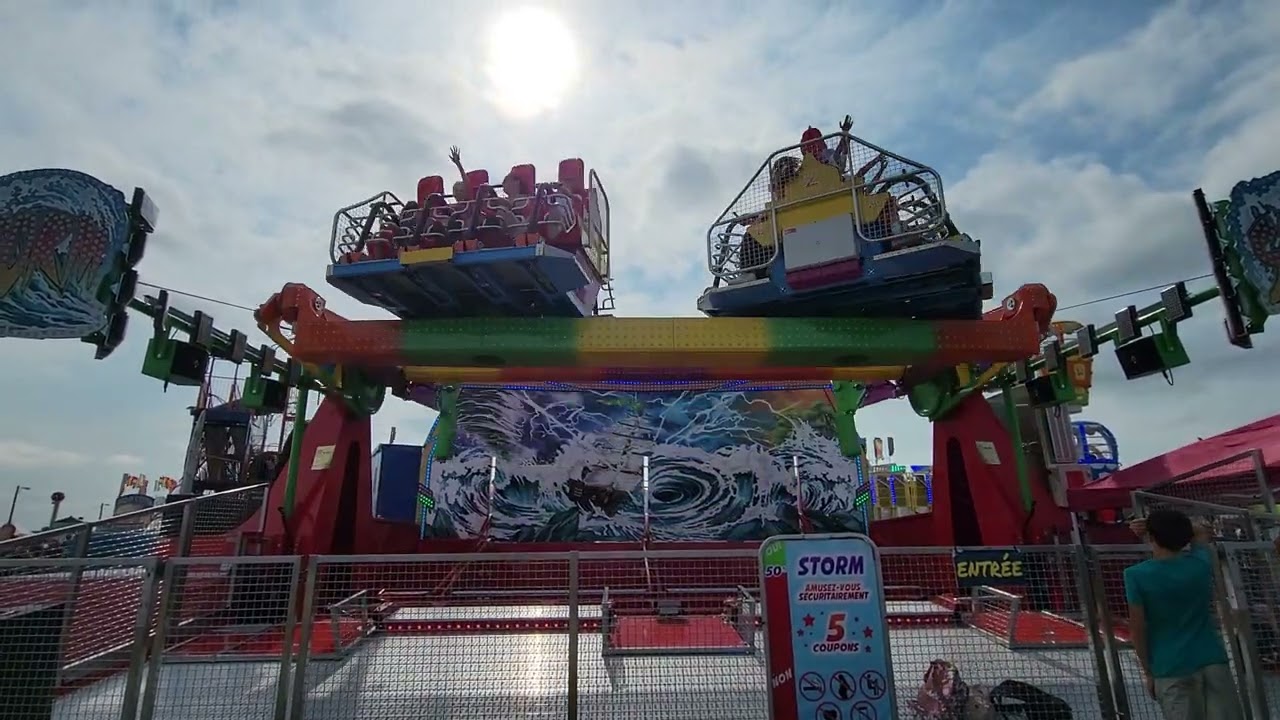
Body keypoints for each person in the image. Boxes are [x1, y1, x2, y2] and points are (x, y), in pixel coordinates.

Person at [1126, 510, 1240, 720]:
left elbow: (1138, 628)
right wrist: (1163, 525)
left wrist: (1148, 670)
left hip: (1169, 665)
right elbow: (1202, 532)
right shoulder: (1200, 563)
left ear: (1151, 538)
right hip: (1211, 657)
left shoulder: (1136, 575)